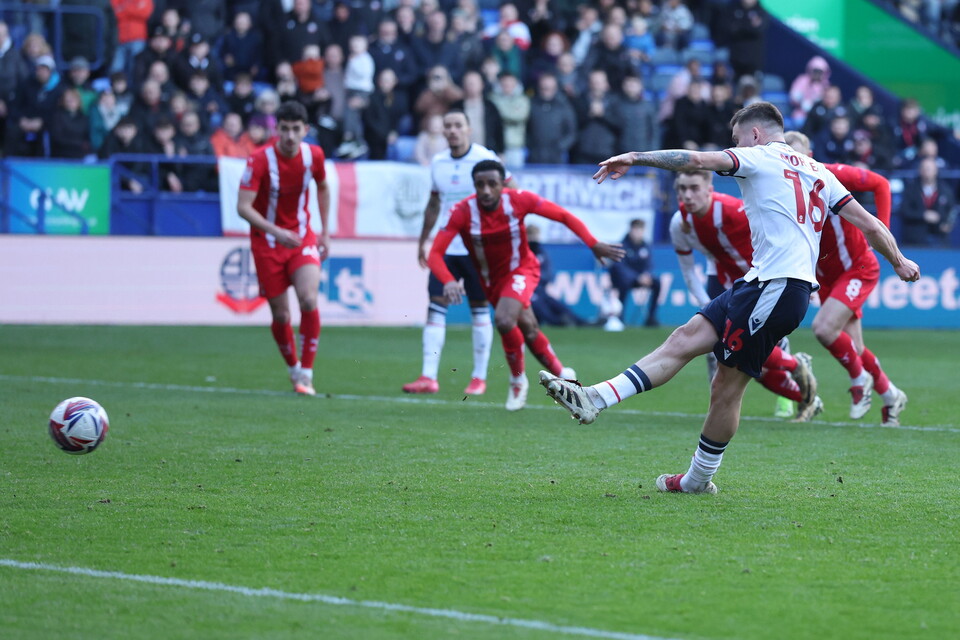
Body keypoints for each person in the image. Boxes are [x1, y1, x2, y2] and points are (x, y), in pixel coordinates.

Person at [540, 101, 920, 495]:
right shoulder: (819, 172)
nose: (734, 146)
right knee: (684, 338)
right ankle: (594, 398)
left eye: (737, 139)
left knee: (727, 387)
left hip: (777, 288)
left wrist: (635, 157)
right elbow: (871, 224)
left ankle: (697, 479)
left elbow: (693, 159)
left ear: (755, 134)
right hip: (759, 283)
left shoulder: (758, 156)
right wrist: (899, 260)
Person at [428, 159, 624, 410]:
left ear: (503, 184)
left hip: (521, 270)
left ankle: (517, 381)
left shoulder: (519, 200)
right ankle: (564, 374)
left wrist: (592, 243)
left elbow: (563, 216)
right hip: (491, 281)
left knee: (504, 320)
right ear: (474, 186)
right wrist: (448, 280)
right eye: (480, 185)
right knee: (528, 328)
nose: (486, 190)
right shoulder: (462, 211)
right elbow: (435, 254)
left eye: (492, 184)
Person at [669, 170, 820, 421]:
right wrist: (707, 307)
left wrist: (798, 276)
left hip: (765, 282)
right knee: (721, 351)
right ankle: (722, 407)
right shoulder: (679, 223)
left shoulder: (734, 211)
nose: (687, 195)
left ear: (710, 189)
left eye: (694, 188)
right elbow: (687, 271)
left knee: (757, 355)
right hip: (725, 283)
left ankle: (796, 377)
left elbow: (784, 235)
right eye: (682, 189)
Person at [785, 131, 910, 426]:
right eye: (785, 155)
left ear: (810, 155)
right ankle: (891, 396)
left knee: (824, 329)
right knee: (856, 348)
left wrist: (883, 234)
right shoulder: (782, 189)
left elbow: (880, 184)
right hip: (825, 277)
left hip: (857, 267)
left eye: (797, 154)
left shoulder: (830, 174)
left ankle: (859, 380)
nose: (791, 161)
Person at [403, 111, 502, 396]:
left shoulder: (485, 159)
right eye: (448, 126)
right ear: (443, 131)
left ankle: (479, 377)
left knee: (479, 308)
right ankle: (428, 377)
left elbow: (508, 193)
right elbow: (434, 203)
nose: (453, 130)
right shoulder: (439, 163)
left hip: (477, 248)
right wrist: (423, 240)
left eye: (458, 125)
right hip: (446, 248)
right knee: (436, 306)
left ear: (469, 129)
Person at [237, 101, 330, 396]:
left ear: (306, 129)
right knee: (281, 316)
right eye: (285, 129)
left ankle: (307, 374)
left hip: (302, 239)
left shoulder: (314, 155)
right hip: (267, 244)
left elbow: (323, 187)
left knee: (309, 299)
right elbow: (243, 207)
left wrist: (325, 232)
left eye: (296, 129)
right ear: (276, 129)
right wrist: (276, 231)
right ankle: (293, 368)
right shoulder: (259, 160)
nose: (290, 136)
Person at [606, 218, 661, 330]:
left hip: (641, 279)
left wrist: (646, 275)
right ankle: (620, 317)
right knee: (623, 284)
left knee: (657, 283)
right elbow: (620, 267)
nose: (638, 233)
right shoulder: (622, 245)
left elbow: (649, 264)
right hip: (624, 279)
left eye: (640, 230)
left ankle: (651, 317)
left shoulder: (645, 246)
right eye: (636, 229)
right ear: (631, 230)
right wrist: (636, 277)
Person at [899, 156, 957, 246]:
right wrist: (923, 215)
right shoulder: (911, 189)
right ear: (919, 170)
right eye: (924, 168)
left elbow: (952, 209)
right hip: (915, 238)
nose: (926, 171)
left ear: (936, 171)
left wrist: (947, 224)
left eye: (929, 168)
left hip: (940, 238)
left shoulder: (945, 190)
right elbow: (904, 210)